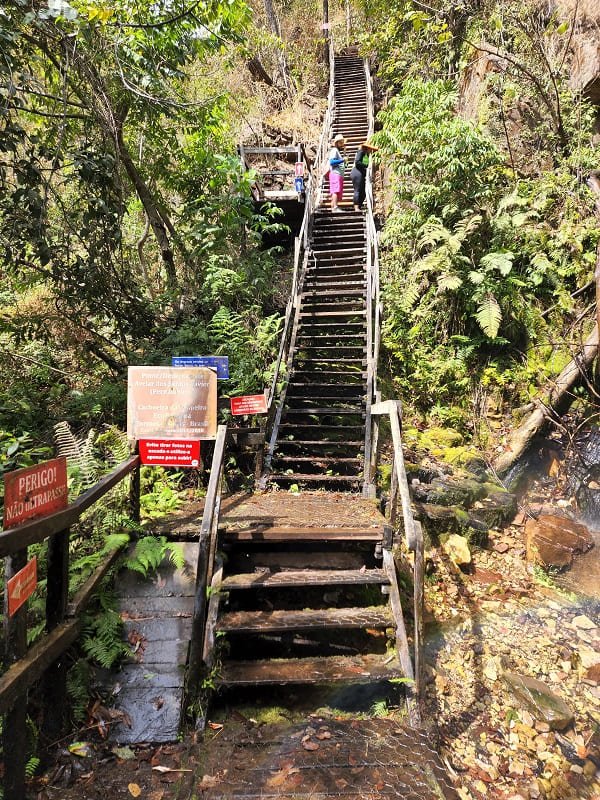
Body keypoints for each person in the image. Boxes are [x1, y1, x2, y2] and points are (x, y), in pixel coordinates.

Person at [351, 140, 378, 211]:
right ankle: (356, 207)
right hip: (357, 172)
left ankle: (359, 206)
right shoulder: (361, 152)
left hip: (361, 173)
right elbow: (357, 162)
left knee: (363, 192)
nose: (371, 150)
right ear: (367, 148)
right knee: (358, 190)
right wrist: (366, 166)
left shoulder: (366, 154)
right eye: (370, 149)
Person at [328, 134, 346, 213]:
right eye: (340, 142)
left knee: (336, 191)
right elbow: (332, 162)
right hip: (335, 173)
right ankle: (335, 207)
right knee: (335, 190)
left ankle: (333, 207)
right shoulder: (334, 150)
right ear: (337, 143)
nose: (342, 144)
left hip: (338, 174)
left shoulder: (337, 151)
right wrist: (342, 160)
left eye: (342, 142)